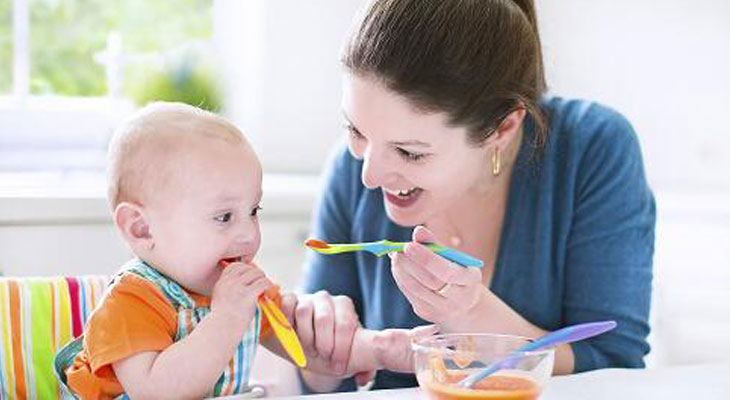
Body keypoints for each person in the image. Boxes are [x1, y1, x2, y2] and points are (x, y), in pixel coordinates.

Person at [296, 0, 655, 392]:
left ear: (503, 127)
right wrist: (320, 353)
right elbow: (320, 379)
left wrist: (471, 314)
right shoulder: (351, 167)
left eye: (410, 152)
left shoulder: (592, 150)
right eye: (355, 130)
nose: (369, 174)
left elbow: (612, 361)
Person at [55, 102, 434, 399]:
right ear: (141, 228)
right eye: (224, 217)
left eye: (254, 211)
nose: (248, 235)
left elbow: (312, 349)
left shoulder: (242, 290)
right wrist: (226, 318)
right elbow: (156, 391)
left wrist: (384, 348)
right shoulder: (129, 304)